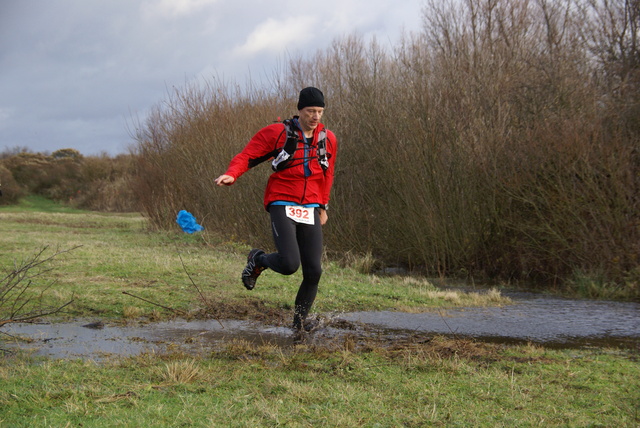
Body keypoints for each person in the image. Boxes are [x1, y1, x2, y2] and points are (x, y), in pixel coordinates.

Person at [214, 87, 338, 331]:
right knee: (290, 264)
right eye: (310, 111)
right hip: (282, 201)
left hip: (311, 205)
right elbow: (247, 156)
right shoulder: (278, 133)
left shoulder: (328, 139)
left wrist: (323, 206)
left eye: (320, 111)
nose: (315, 116)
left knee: (314, 271)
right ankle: (258, 259)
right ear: (299, 110)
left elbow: (328, 173)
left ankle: (298, 325)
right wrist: (231, 174)